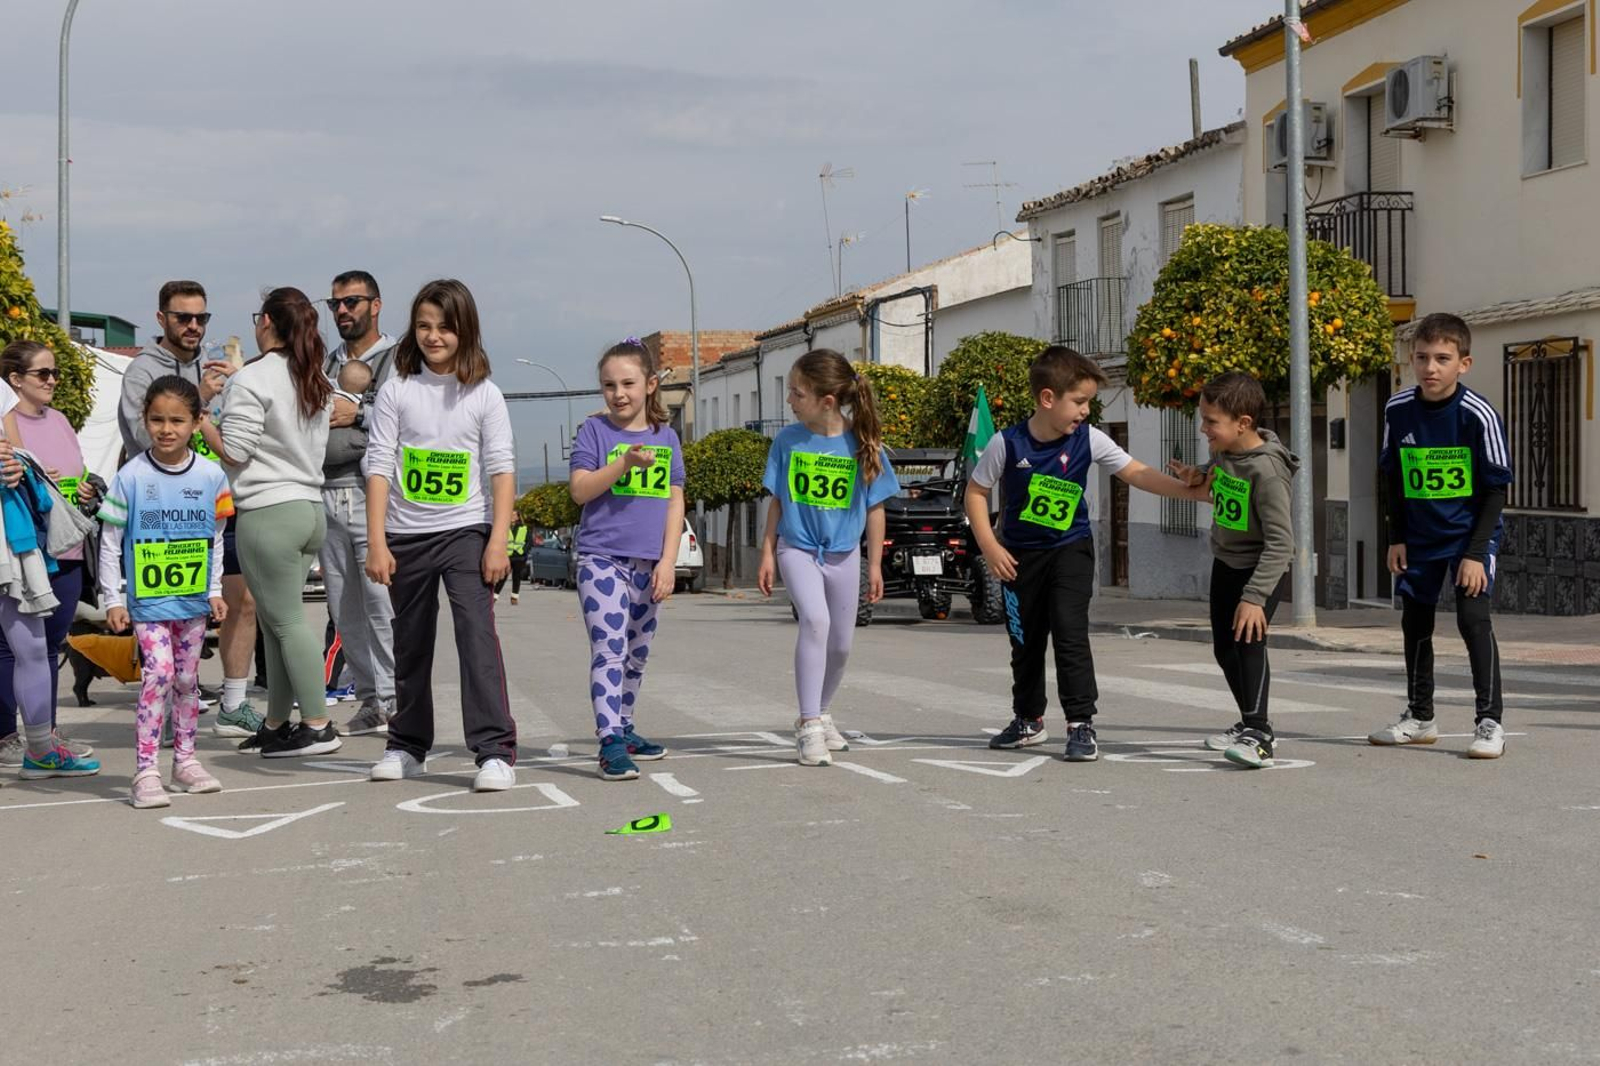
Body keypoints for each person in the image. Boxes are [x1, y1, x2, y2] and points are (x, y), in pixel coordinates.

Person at [964, 346, 1208, 762]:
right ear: (1047, 399)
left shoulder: (1090, 439)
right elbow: (975, 492)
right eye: (1079, 402)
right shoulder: (1007, 444)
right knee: (1025, 641)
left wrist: (1194, 492)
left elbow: (1137, 474)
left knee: (1070, 632)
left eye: (1089, 402)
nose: (1085, 411)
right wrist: (990, 547)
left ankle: (1081, 724)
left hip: (1070, 550)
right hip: (1019, 557)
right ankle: (1028, 720)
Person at [362, 279, 518, 792]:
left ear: (464, 330)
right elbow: (379, 465)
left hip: (466, 532)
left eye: (445, 327)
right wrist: (378, 541)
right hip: (406, 535)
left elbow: (500, 469)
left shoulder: (484, 394)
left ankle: (494, 751)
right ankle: (407, 746)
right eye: (424, 326)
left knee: (475, 634)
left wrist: (498, 539)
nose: (433, 337)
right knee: (410, 642)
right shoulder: (396, 390)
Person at [201, 287, 339, 758]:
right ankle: (279, 722)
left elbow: (235, 451)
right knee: (281, 622)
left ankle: (318, 724)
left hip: (267, 510)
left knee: (287, 622)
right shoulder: (313, 376)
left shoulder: (252, 379)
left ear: (267, 324)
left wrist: (201, 417)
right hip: (308, 509)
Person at [1368, 313, 1513, 759]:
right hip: (1419, 537)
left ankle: (1489, 722)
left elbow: (1495, 488)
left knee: (1473, 620)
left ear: (1463, 364)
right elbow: (1392, 477)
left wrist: (1474, 553)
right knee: (1416, 622)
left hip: (1469, 535)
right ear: (1412, 359)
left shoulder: (1478, 414)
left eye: (1442, 359)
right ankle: (1420, 717)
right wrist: (1396, 537)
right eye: (1422, 358)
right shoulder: (1397, 408)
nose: (1431, 368)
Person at [756, 350, 897, 767]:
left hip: (844, 554)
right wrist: (767, 552)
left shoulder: (863, 444)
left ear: (827, 401)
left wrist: (873, 564)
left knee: (841, 644)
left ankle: (823, 710)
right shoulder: (787, 441)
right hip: (797, 548)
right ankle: (808, 723)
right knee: (815, 622)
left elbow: (875, 508)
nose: (790, 401)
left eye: (797, 394)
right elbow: (778, 502)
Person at [100, 377, 231, 807]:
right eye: (157, 419)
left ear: (197, 422)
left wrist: (214, 589)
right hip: (148, 602)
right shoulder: (130, 476)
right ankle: (145, 771)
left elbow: (216, 537)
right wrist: (113, 598)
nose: (167, 429)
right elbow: (110, 540)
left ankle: (186, 762)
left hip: (192, 601)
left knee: (189, 679)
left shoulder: (212, 475)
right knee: (159, 674)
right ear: (145, 420)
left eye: (177, 420)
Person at [567, 339, 685, 781]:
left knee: (637, 654)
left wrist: (668, 561)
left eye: (628, 384)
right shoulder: (594, 432)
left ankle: (627, 727)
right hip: (601, 560)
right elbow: (580, 490)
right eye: (608, 385)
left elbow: (676, 501)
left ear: (651, 385)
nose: (618, 393)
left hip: (649, 564)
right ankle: (609, 742)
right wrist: (624, 464)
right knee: (609, 650)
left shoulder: (667, 437)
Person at [1169, 372, 1298, 769]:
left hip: (1259, 570)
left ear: (1243, 423)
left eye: (1211, 421)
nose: (1204, 428)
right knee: (1224, 649)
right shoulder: (1228, 453)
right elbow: (1219, 476)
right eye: (1203, 419)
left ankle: (1259, 735)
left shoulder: (1268, 473)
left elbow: (1282, 544)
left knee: (1248, 645)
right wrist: (1199, 474)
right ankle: (1247, 720)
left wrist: (1254, 597)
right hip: (1226, 563)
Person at [0, 340, 98, 767]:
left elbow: (24, 462)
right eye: (43, 373)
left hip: (49, 541)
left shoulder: (53, 417)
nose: (53, 380)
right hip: (24, 542)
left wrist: (81, 485)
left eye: (54, 372)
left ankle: (43, 740)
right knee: (19, 648)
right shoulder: (7, 409)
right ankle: (12, 738)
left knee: (44, 646)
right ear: (16, 379)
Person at [320, 271, 398, 737]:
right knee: (342, 607)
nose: (343, 311)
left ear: (376, 305)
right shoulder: (326, 362)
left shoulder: (398, 358)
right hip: (324, 492)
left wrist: (360, 412)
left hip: (372, 493)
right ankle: (370, 699)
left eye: (352, 301)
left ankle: (395, 699)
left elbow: (406, 417)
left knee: (380, 602)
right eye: (336, 304)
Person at [497, 514, 529, 605]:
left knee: (516, 577)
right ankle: (495, 596)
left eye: (514, 515)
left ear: (518, 517)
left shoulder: (524, 528)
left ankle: (514, 597)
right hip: (507, 556)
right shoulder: (504, 526)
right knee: (502, 577)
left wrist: (523, 551)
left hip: (519, 556)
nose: (511, 516)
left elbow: (529, 541)